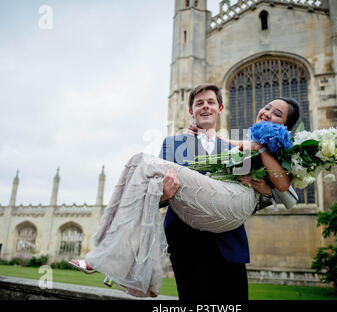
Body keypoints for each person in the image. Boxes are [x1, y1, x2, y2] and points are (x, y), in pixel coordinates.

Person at [68, 84, 300, 299]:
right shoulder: (173, 144)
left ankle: (110, 257)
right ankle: (111, 255)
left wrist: (265, 190)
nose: (205, 106)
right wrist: (163, 194)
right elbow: (155, 193)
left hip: (228, 242)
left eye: (210, 102)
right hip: (187, 242)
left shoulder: (238, 145)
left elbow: (266, 192)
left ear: (220, 109)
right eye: (199, 103)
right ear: (191, 111)